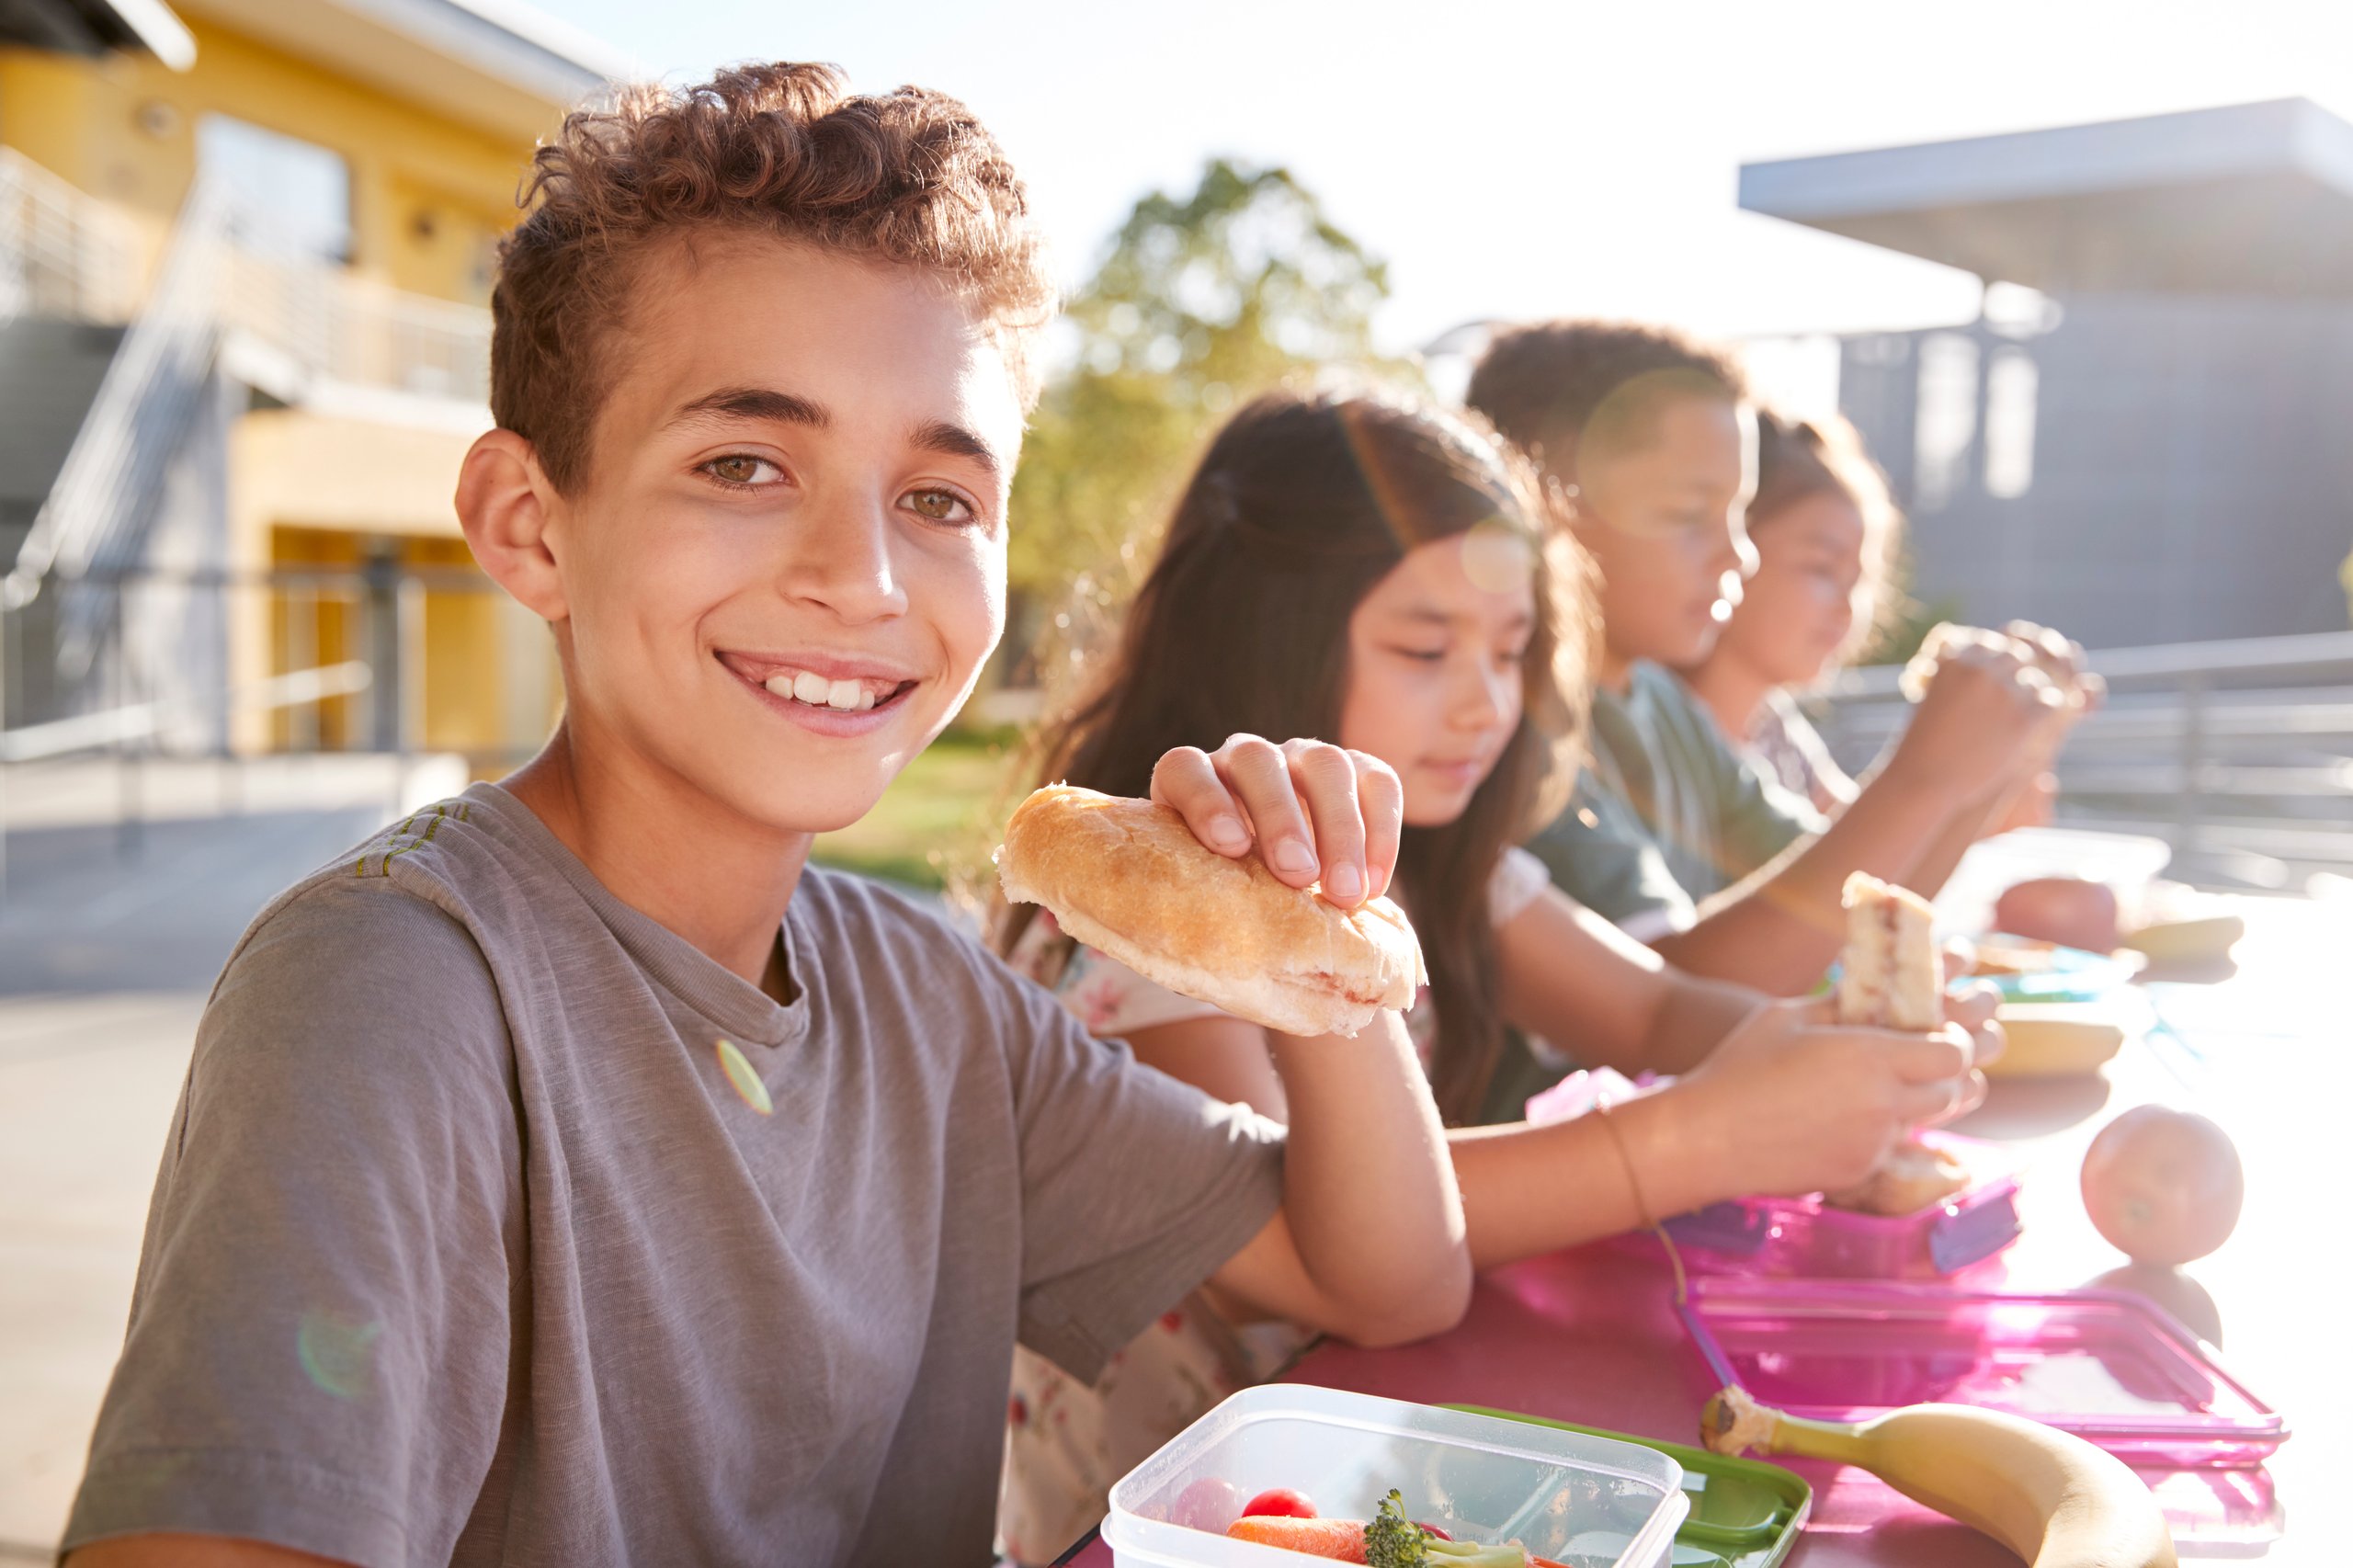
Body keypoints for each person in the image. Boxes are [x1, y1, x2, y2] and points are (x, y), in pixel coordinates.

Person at [58, 66, 1478, 1568]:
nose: (860, 577)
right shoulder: (393, 994)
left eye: (939, 498)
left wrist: (1323, 934)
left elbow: (1378, 1279)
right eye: (744, 463)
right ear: (528, 525)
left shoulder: (931, 999)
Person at [992, 387, 1995, 1562]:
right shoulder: (1151, 918)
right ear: (1261, 631)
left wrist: (1839, 1050)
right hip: (1158, 1509)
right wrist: (1707, 1135)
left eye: (1511, 649)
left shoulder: (1450, 865)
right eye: (1425, 649)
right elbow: (1312, 1243)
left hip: (1356, 1450)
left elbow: (1655, 1002)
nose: (1483, 700)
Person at [1463, 321, 2095, 994]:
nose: (1739, 555)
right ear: (1544, 508)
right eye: (1688, 514)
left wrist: (1990, 761)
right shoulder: (1511, 729)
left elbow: (1853, 905)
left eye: (1738, 516)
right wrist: (1923, 777)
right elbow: (1668, 1004)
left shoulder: (1665, 705)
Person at [1679, 408, 1900, 812]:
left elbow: (1859, 845)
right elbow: (1840, 863)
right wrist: (1929, 773)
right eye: (1822, 568)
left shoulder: (1772, 728)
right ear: (1732, 549)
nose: (1847, 606)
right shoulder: (1669, 739)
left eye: (1860, 581)